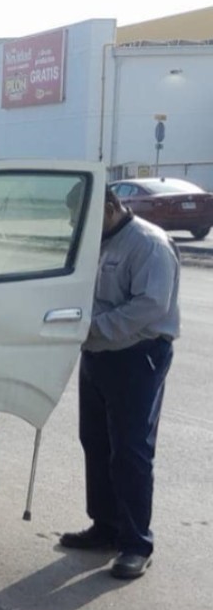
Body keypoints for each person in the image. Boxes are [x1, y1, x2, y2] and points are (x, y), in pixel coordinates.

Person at [60, 185, 180, 580]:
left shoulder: (148, 244)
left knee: (130, 450)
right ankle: (106, 526)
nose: (80, 228)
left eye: (85, 219)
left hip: (137, 356)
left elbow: (150, 306)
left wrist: (92, 329)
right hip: (97, 354)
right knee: (95, 441)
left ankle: (136, 543)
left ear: (110, 206)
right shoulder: (98, 242)